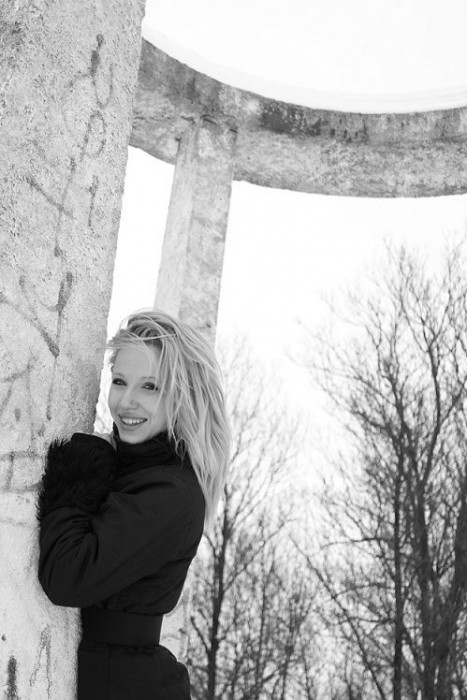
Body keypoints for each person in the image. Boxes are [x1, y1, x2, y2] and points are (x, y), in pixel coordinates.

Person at [36, 309, 230, 699]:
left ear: (181, 395)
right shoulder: (137, 470)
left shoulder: (172, 493)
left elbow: (67, 576)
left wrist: (80, 469)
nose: (126, 402)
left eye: (150, 387)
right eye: (120, 381)